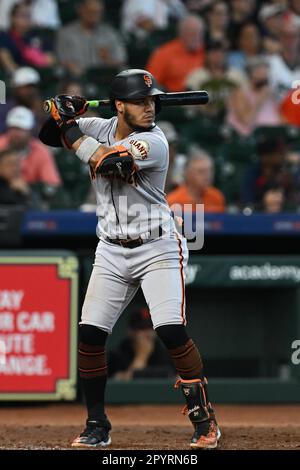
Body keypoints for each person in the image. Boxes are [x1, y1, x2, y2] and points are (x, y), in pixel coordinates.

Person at [39, 69, 221, 449]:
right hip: (111, 248)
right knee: (89, 335)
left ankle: (204, 420)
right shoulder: (99, 125)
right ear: (119, 106)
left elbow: (108, 164)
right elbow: (48, 135)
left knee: (170, 330)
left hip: (157, 246)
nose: (149, 107)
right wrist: (63, 112)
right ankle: (96, 425)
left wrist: (69, 125)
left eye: (151, 100)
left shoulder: (154, 141)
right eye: (140, 101)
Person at [0, 106, 61, 196]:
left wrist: (28, 187)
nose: (17, 133)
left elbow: (51, 183)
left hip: (29, 195)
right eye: (14, 128)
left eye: (21, 129)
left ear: (30, 131)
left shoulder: (40, 150)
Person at [56, 0, 127, 77]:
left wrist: (109, 60)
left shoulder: (110, 33)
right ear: (81, 10)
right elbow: (63, 60)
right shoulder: (66, 33)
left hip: (106, 77)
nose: (95, 16)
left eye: (98, 12)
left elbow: (121, 60)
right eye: (91, 11)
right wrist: (72, 67)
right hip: (77, 79)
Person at [108, 308, 175, 379]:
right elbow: (124, 384)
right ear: (131, 332)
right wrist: (141, 356)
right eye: (142, 328)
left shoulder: (165, 354)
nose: (147, 333)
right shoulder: (117, 355)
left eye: (150, 328)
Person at [146, 15, 205, 91]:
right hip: (176, 98)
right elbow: (149, 83)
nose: (196, 37)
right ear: (181, 33)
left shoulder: (207, 52)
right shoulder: (164, 54)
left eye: (199, 34)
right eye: (192, 34)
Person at [226, 57, 282, 137]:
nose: (265, 76)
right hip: (251, 139)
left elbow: (279, 119)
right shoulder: (240, 93)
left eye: (266, 72)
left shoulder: (270, 94)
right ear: (251, 74)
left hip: (274, 137)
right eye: (260, 72)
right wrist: (259, 101)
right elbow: (246, 120)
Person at [0, 1, 56, 74]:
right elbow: (7, 62)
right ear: (12, 18)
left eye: (28, 16)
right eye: (22, 15)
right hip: (19, 76)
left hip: (42, 74)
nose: (26, 19)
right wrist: (23, 75)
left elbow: (51, 59)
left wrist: (39, 59)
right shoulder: (4, 36)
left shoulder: (39, 34)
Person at [167, 146, 225, 212]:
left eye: (210, 170)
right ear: (187, 174)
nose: (207, 175)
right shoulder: (174, 201)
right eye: (201, 171)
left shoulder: (217, 197)